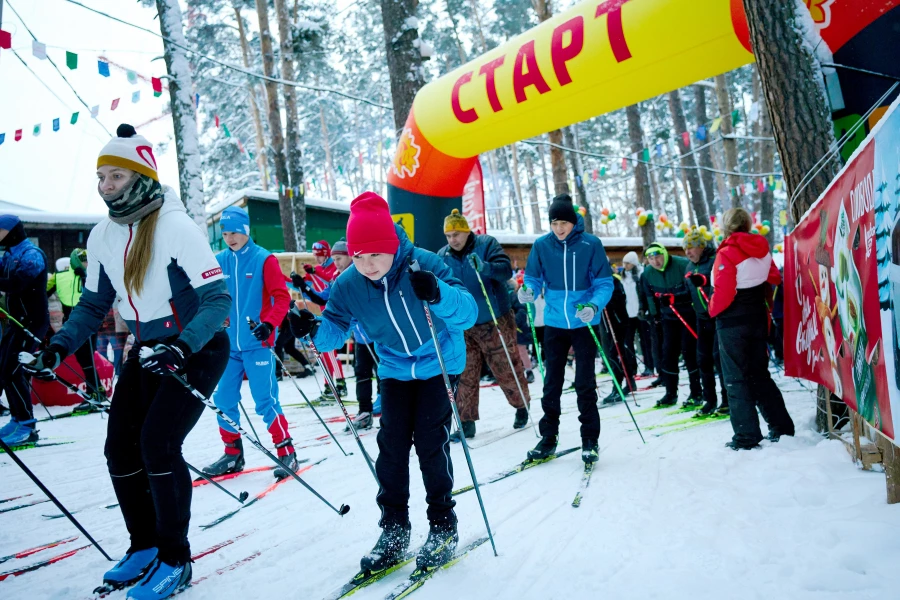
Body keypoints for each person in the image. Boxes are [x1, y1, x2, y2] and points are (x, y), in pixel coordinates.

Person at [22, 124, 231, 598]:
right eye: (101, 177)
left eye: (116, 176)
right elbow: (93, 305)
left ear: (140, 177)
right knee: (119, 447)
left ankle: (175, 558)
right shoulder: (102, 235)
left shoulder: (176, 226)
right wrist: (58, 346)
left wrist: (182, 347)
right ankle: (144, 545)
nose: (105, 186)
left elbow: (218, 300)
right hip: (148, 349)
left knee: (158, 445)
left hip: (194, 347)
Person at [289, 191, 477, 572]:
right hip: (394, 367)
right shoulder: (349, 284)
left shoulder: (423, 263)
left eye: (375, 254)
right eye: (358, 256)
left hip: (439, 361)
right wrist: (312, 330)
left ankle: (443, 525)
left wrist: (438, 294)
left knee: (430, 442)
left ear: (392, 245)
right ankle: (394, 528)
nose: (368, 264)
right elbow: (335, 327)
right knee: (391, 447)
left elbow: (468, 312)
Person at [518, 194, 613, 464]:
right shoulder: (542, 245)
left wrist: (593, 306)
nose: (559, 228)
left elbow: (604, 283)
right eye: (554, 223)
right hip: (555, 322)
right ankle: (548, 437)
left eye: (563, 223)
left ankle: (590, 439)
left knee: (585, 383)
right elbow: (533, 278)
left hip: (584, 321)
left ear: (573, 222)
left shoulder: (591, 244)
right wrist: (528, 290)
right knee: (552, 383)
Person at [203, 206, 297, 479]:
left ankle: (287, 451)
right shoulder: (220, 260)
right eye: (225, 234)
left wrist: (269, 324)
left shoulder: (263, 259)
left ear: (245, 230)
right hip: (228, 346)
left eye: (234, 232)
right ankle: (232, 454)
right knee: (223, 399)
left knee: (265, 400)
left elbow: (282, 298)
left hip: (257, 344)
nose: (229, 238)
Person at [438, 209, 530, 440]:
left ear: (466, 231)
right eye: (448, 236)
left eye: (456, 234)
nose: (453, 240)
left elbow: (505, 270)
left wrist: (486, 267)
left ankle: (521, 405)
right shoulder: (443, 256)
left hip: (493, 318)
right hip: (462, 323)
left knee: (505, 367)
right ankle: (466, 421)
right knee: (464, 372)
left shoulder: (486, 244)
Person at [709, 208, 794, 450]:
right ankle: (781, 426)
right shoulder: (762, 248)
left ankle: (746, 435)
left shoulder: (727, 252)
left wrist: (711, 309)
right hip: (757, 316)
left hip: (732, 320)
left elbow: (724, 291)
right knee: (759, 375)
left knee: (735, 378)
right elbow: (774, 277)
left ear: (727, 226)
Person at [0, 215, 49, 445]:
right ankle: (17, 419)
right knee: (4, 371)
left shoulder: (31, 254)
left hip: (32, 322)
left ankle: (28, 426)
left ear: (11, 231)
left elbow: (17, 284)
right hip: (16, 322)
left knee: (13, 371)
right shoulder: (9, 254)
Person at [640, 241, 703, 407]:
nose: (655, 261)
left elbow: (693, 291)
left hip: (688, 315)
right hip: (668, 317)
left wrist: (677, 298)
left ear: (664, 254)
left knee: (689, 352)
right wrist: (653, 315)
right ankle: (670, 392)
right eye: (651, 258)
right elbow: (649, 296)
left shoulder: (682, 265)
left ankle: (697, 391)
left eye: (658, 257)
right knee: (668, 354)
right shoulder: (647, 273)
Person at [46, 248, 105, 411]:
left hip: (86, 321)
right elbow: (44, 293)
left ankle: (95, 392)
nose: (87, 264)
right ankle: (96, 391)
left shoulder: (90, 274)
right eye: (84, 261)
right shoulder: (61, 275)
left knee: (87, 357)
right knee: (83, 357)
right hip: (73, 321)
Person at [682, 229, 728, 416]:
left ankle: (727, 399)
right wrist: (673, 298)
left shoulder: (714, 260)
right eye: (685, 248)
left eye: (691, 247)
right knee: (703, 359)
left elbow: (721, 283)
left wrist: (705, 280)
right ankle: (710, 399)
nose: (688, 252)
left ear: (701, 247)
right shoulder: (688, 267)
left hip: (718, 317)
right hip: (701, 318)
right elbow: (688, 293)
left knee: (719, 358)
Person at [303, 239, 346, 398]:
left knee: (330, 351)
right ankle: (329, 386)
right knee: (324, 352)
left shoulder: (334, 267)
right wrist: (293, 281)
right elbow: (313, 291)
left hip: (337, 313)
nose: (317, 258)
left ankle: (340, 384)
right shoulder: (318, 269)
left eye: (319, 255)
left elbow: (330, 282)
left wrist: (315, 272)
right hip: (324, 312)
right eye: (315, 255)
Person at [598, 268, 636, 404]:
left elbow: (620, 299)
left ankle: (618, 387)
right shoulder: (593, 281)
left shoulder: (612, 280)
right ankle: (629, 382)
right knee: (615, 354)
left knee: (615, 354)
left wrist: (605, 301)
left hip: (617, 322)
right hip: (605, 323)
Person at [621, 251, 654, 378]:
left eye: (628, 263)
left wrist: (644, 309)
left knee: (645, 341)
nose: (625, 266)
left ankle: (649, 366)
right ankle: (631, 368)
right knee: (628, 341)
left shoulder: (641, 274)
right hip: (629, 313)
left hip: (641, 313)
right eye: (624, 263)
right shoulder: (623, 277)